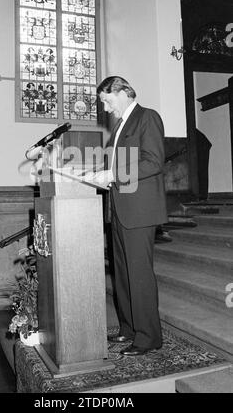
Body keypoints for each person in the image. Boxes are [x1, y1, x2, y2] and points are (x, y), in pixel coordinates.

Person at [88, 76, 167, 356]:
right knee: (122, 274)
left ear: (122, 92)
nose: (107, 109)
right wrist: (99, 175)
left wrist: (113, 175)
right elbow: (119, 165)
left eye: (107, 101)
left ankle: (148, 337)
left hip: (140, 210)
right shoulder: (120, 126)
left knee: (139, 274)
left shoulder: (147, 117)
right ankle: (129, 329)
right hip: (119, 208)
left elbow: (153, 162)